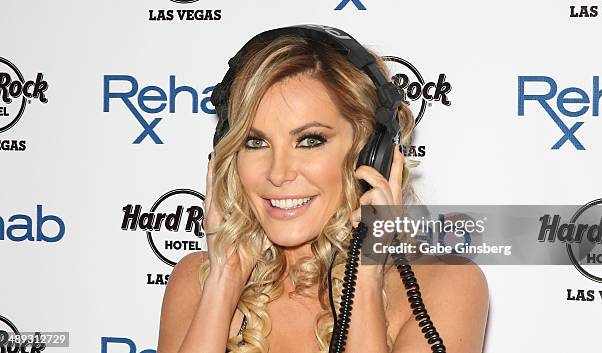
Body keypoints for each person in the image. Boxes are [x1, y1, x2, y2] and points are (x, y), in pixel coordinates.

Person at [156, 28, 489, 353]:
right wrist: (223, 282)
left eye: (310, 141)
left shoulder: (445, 285)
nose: (278, 173)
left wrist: (366, 279)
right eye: (255, 142)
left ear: (373, 153)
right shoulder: (195, 282)